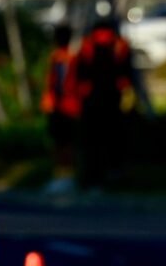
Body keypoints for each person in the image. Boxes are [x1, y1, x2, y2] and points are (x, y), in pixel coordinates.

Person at [74, 13, 133, 188]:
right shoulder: (114, 46)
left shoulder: (112, 46)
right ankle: (104, 174)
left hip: (105, 102)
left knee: (101, 141)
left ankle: (102, 175)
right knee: (106, 141)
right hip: (102, 102)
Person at [40, 23, 80, 194]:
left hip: (67, 107)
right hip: (59, 107)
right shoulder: (57, 58)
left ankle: (66, 177)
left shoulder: (70, 59)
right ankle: (60, 176)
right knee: (59, 143)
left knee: (65, 143)